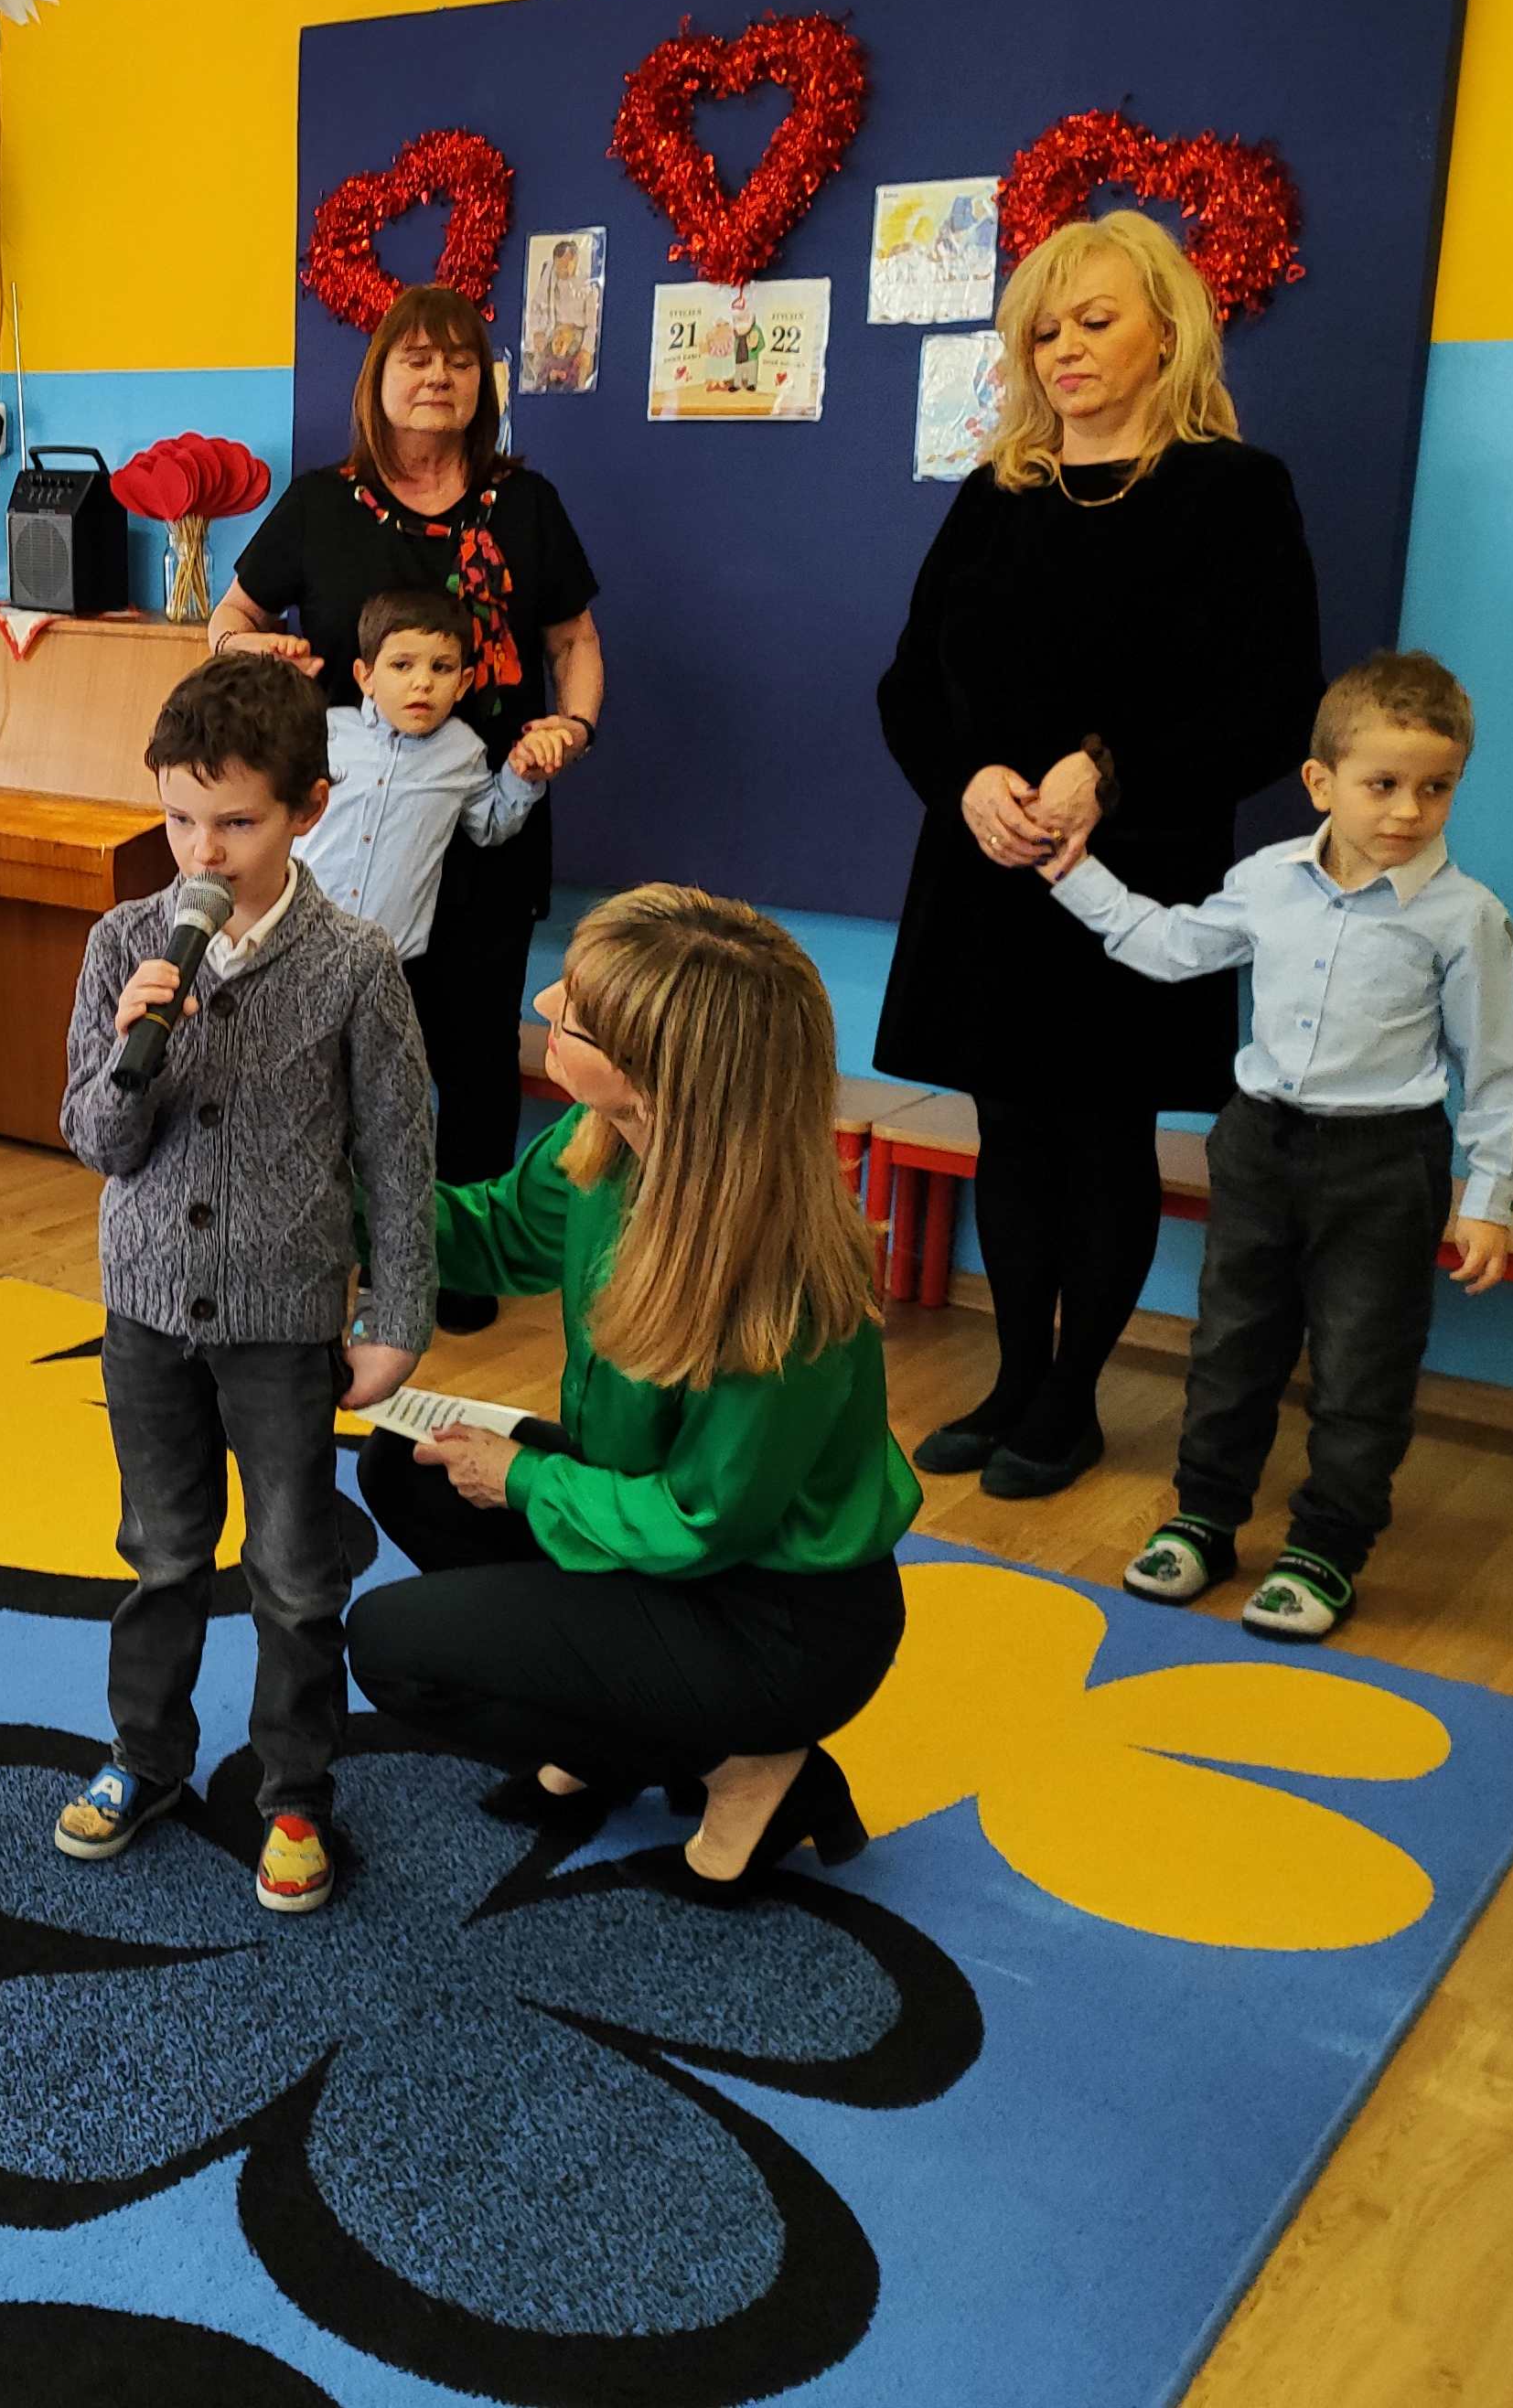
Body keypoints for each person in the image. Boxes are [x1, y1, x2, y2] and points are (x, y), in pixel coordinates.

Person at [872, 210, 1323, 1500]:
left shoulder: (1235, 492)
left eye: (1094, 320)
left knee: (1101, 1132)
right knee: (1008, 1129)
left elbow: (1274, 703)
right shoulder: (994, 495)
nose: (1063, 347)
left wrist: (1105, 772)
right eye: (1043, 331)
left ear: (1167, 333)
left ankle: (1070, 1403)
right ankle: (1017, 1381)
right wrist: (966, 780)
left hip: (1140, 877)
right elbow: (911, 686)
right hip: (986, 869)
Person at [344, 886, 917, 1902]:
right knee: (404, 1464)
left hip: (775, 1620)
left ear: (656, 1081)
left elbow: (703, 1521)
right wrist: (320, 1192)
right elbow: (487, 1235)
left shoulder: (774, 1284)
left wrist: (523, 1481)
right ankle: (622, 1730)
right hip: (668, 1540)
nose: (543, 1003)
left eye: (574, 1014)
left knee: (394, 1653)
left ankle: (748, 1763)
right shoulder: (605, 1144)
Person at [49, 653, 436, 1918]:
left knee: (294, 1570)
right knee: (161, 1553)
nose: (201, 853)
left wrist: (398, 1317)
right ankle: (145, 1755)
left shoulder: (357, 965)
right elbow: (96, 1142)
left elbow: (398, 1154)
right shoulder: (122, 942)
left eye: (235, 823)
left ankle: (295, 1794)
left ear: (308, 810)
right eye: (177, 820)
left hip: (283, 1324)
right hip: (145, 1314)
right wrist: (130, 1050)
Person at [1050, 652, 1513, 1641]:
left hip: (1385, 1164)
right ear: (1321, 781)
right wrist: (1074, 875)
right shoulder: (1267, 881)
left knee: (1362, 1364)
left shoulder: (1465, 916)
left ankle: (1327, 1546)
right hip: (1258, 1144)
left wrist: (1489, 1198)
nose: (1408, 811)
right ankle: (1205, 1516)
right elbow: (1171, 946)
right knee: (1230, 1345)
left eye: (1436, 788)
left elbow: (1492, 1070)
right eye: (1382, 784)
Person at [210, 282, 604, 1333]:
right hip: (348, 846)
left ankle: (455, 1269)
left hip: (483, 822)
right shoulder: (320, 503)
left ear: (483, 385)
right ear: (376, 378)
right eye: (416, 360)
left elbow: (572, 639)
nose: (438, 378)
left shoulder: (526, 504)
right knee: (333, 1061)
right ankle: (322, 1252)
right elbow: (229, 617)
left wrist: (570, 728)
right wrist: (254, 649)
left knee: (472, 1063)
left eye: (460, 362)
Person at [301, 588, 550, 962]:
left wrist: (524, 775)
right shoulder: (324, 731)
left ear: (463, 682)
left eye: (441, 668)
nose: (423, 682)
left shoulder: (462, 751)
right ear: (365, 677)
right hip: (297, 941)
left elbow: (491, 823)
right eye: (402, 665)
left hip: (387, 961)